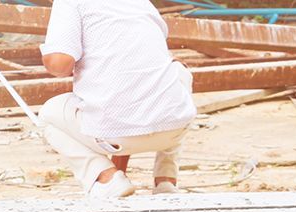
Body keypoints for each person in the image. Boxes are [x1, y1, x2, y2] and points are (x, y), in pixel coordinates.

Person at [39, 0, 197, 198]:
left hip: (115, 136)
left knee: (47, 116)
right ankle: (165, 181)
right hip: (173, 129)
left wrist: (52, 49)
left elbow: (59, 65)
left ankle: (105, 177)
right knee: (177, 72)